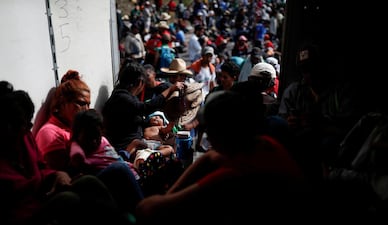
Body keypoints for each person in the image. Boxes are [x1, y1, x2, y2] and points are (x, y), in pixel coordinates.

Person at [135, 90, 319, 225]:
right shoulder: (261, 143)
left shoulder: (235, 174)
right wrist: (171, 193)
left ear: (223, 133)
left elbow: (148, 209)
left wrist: (166, 199)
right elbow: (208, 158)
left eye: (210, 131)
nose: (209, 138)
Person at [0, 87, 131, 225]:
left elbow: (42, 166)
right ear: (62, 104)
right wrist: (57, 176)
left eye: (28, 123)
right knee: (72, 197)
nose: (86, 108)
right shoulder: (49, 132)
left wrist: (57, 175)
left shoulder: (24, 136)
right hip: (26, 211)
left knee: (90, 182)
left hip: (48, 189)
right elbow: (16, 191)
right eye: (80, 103)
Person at [102, 60, 184, 154]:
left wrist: (148, 122)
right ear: (140, 82)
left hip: (135, 141)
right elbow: (144, 108)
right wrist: (170, 89)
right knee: (169, 150)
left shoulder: (124, 96)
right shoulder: (122, 97)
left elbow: (131, 118)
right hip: (126, 146)